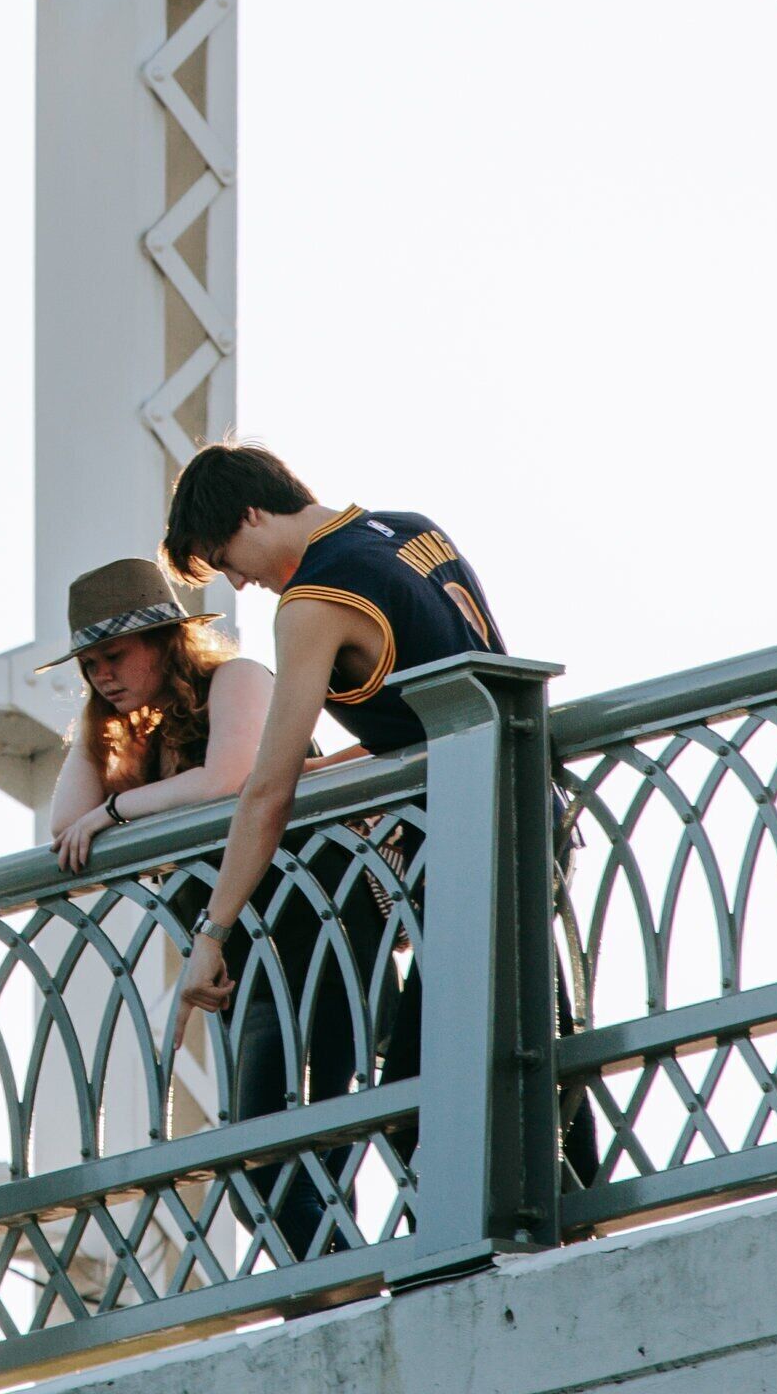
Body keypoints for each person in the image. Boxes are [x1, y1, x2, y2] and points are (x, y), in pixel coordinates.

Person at [157, 442, 511, 1256]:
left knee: (429, 1102)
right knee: (519, 1061)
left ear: (250, 514)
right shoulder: (410, 531)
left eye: (229, 561)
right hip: (526, 809)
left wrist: (211, 934)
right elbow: (447, 708)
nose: (241, 582)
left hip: (461, 850)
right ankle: (559, 1236)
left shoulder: (313, 599)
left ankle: (456, 1284)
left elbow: (267, 789)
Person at [37, 558, 282, 872]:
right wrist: (95, 720)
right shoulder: (155, 741)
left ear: (164, 643)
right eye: (89, 665)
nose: (102, 675)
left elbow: (226, 780)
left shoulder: (238, 676)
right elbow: (68, 825)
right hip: (216, 912)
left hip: (303, 892)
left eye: (113, 656)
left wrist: (112, 810)